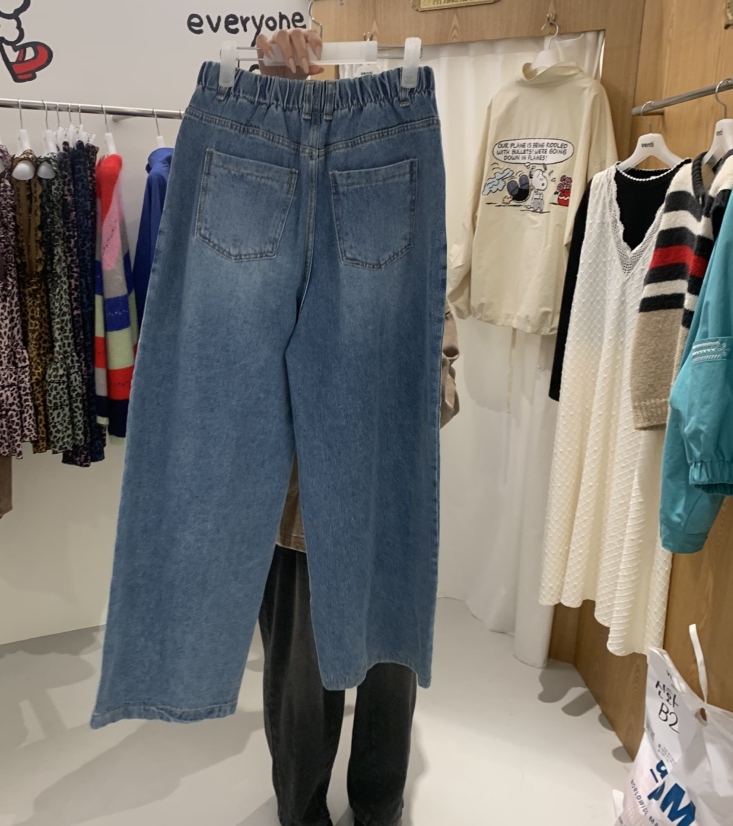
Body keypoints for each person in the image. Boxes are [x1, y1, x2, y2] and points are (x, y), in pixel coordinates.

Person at [254, 29, 460, 826]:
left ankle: (378, 804)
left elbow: (441, 368)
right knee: (301, 688)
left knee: (387, 665)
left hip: (381, 496)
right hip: (293, 506)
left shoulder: (401, 217)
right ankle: (304, 811)